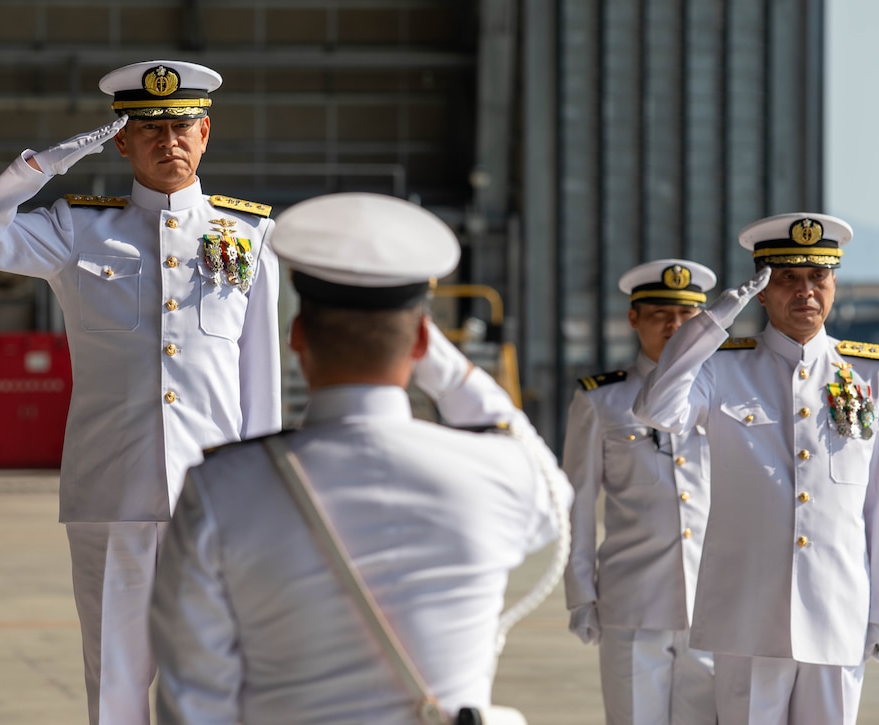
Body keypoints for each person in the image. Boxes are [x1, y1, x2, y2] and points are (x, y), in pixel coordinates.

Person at [0, 60, 282, 724]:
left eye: (182, 126)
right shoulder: (77, 231)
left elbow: (258, 386)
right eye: (148, 128)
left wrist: (263, 500)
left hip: (214, 505)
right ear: (120, 141)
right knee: (116, 684)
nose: (168, 141)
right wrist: (42, 165)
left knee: (218, 680)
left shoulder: (248, 238)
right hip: (112, 497)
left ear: (206, 133)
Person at [149, 192, 571, 724]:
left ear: (297, 337)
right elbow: (556, 493)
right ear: (422, 341)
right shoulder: (500, 474)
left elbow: (194, 698)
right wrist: (443, 365)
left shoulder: (221, 488)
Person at [632, 213, 879, 725]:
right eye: (787, 279)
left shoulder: (871, 372)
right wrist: (714, 321)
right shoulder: (722, 366)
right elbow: (655, 410)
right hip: (747, 617)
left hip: (837, 611)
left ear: (834, 283)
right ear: (762, 291)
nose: (804, 291)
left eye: (817, 277)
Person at [562, 259, 719, 725]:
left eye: (688, 316)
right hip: (633, 602)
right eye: (660, 314)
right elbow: (578, 502)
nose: (675, 326)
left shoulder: (724, 393)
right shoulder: (602, 399)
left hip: (712, 604)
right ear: (634, 318)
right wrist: (580, 594)